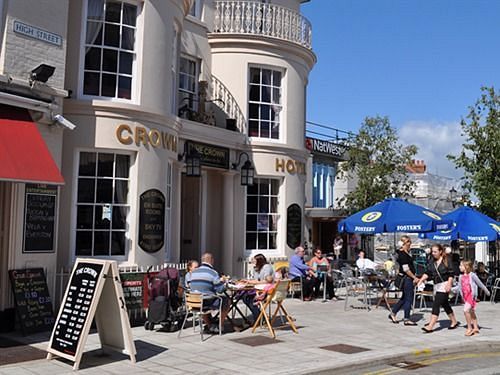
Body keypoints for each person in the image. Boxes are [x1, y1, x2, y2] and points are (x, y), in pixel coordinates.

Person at [417, 244, 460, 333]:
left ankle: (431, 326)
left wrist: (449, 284)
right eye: (432, 251)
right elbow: (428, 272)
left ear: (440, 251)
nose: (433, 253)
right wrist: (421, 280)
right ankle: (454, 321)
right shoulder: (432, 261)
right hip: (437, 285)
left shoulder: (447, 260)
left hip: (445, 284)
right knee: (445, 304)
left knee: (436, 304)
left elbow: (451, 273)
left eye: (435, 252)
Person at [189, 252, 230, 334]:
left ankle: (210, 325)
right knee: (226, 300)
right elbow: (220, 290)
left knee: (204, 297)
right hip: (206, 302)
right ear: (211, 261)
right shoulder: (212, 272)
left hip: (194, 303)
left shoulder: (194, 272)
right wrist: (225, 283)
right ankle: (220, 326)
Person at [453, 260, 490, 336]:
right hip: (465, 297)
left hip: (471, 296)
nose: (459, 267)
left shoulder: (472, 275)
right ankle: (476, 327)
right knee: (471, 311)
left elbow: (480, 284)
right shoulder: (460, 277)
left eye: (461, 265)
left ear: (466, 267)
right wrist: (450, 289)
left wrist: (487, 291)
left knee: (466, 310)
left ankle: (469, 328)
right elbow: (459, 287)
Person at [388, 235, 419, 326]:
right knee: (408, 298)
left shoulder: (407, 253)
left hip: (407, 278)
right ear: (404, 244)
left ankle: (393, 313)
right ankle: (406, 318)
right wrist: (414, 277)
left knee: (404, 297)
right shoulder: (403, 255)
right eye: (408, 242)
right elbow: (406, 269)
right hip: (407, 279)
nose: (410, 243)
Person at [242, 254, 274, 322]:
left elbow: (267, 281)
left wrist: (254, 283)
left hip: (267, 291)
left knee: (249, 298)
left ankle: (258, 318)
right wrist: (248, 281)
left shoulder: (266, 267)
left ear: (259, 260)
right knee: (244, 296)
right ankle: (260, 317)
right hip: (258, 289)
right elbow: (256, 280)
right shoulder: (256, 268)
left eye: (254, 259)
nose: (252, 261)